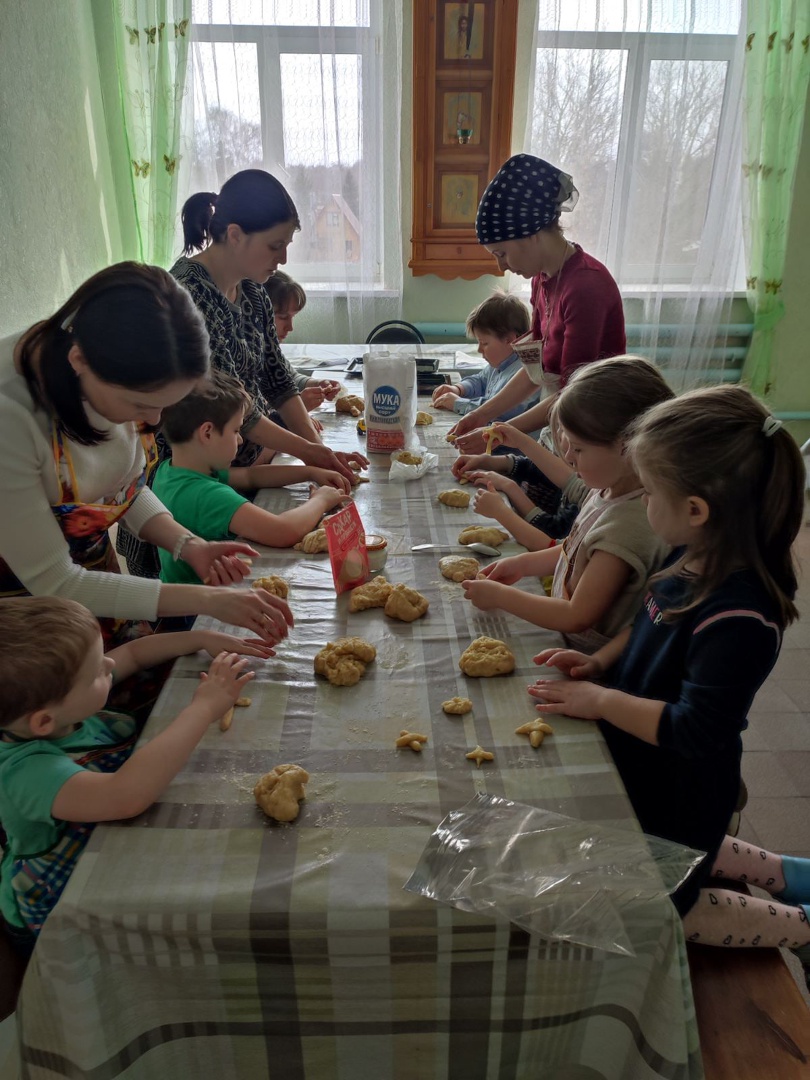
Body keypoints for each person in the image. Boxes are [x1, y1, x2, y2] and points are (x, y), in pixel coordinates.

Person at [528, 386, 809, 972]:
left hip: (681, 781)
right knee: (669, 848)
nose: (643, 502)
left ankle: (800, 927)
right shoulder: (693, 559)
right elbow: (651, 622)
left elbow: (695, 729)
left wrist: (601, 699)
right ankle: (785, 874)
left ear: (697, 509)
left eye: (651, 492)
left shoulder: (740, 616)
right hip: (647, 764)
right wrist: (602, 664)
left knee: (662, 904)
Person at [0, 263, 292, 648]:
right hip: (27, 622)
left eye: (164, 407)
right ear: (79, 362)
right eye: (140, 405)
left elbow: (127, 489)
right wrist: (209, 600)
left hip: (90, 585)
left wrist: (188, 545)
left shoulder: (119, 374)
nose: (153, 421)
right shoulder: (12, 419)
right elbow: (59, 581)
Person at [0, 596, 271, 954]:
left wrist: (199, 638)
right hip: (66, 901)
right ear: (44, 721)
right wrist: (203, 708)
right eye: (97, 670)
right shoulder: (28, 772)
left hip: (115, 845)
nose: (110, 663)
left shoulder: (58, 706)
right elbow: (126, 795)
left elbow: (133, 655)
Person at [462, 356, 672, 653]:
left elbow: (576, 615)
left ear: (629, 447)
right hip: (565, 637)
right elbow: (572, 547)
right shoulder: (611, 487)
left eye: (578, 448)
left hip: (586, 660)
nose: (569, 457)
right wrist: (521, 564)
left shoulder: (628, 526)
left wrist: (499, 597)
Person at [451, 155, 625, 483]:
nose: (501, 266)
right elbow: (537, 370)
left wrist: (498, 432)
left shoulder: (586, 287)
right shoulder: (542, 281)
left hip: (592, 439)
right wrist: (482, 415)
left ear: (531, 234)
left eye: (502, 253)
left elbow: (571, 395)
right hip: (558, 429)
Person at [154, 371, 350, 584]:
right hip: (195, 611)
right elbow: (284, 531)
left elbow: (250, 476)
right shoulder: (205, 495)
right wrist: (321, 500)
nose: (239, 440)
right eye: (235, 430)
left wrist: (311, 472)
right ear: (207, 433)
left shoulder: (173, 470)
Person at [455, 416, 586, 550]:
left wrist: (508, 494)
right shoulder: (582, 472)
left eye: (578, 450)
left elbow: (552, 537)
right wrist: (485, 461)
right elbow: (541, 469)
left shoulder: (590, 498)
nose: (558, 436)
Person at [431, 292, 537, 422]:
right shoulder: (498, 363)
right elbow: (480, 380)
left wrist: (457, 403)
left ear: (509, 339)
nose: (479, 349)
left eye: (485, 343)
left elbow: (500, 413)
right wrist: (459, 389)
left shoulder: (526, 372)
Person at [263, 271, 340, 413]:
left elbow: (291, 377)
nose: (290, 327)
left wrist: (317, 384)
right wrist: (296, 409)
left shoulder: (270, 349)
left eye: (293, 317)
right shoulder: (246, 355)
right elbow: (249, 420)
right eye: (283, 317)